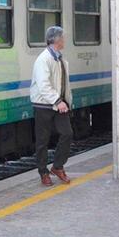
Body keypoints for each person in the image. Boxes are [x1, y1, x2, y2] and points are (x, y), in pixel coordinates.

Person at [30, 26, 73, 186]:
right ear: (56, 40)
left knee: (67, 133)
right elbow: (43, 85)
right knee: (42, 140)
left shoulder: (60, 59)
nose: (64, 40)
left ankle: (57, 166)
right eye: (62, 38)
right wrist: (57, 101)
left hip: (59, 103)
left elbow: (64, 84)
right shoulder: (44, 59)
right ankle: (43, 172)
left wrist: (66, 101)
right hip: (44, 105)